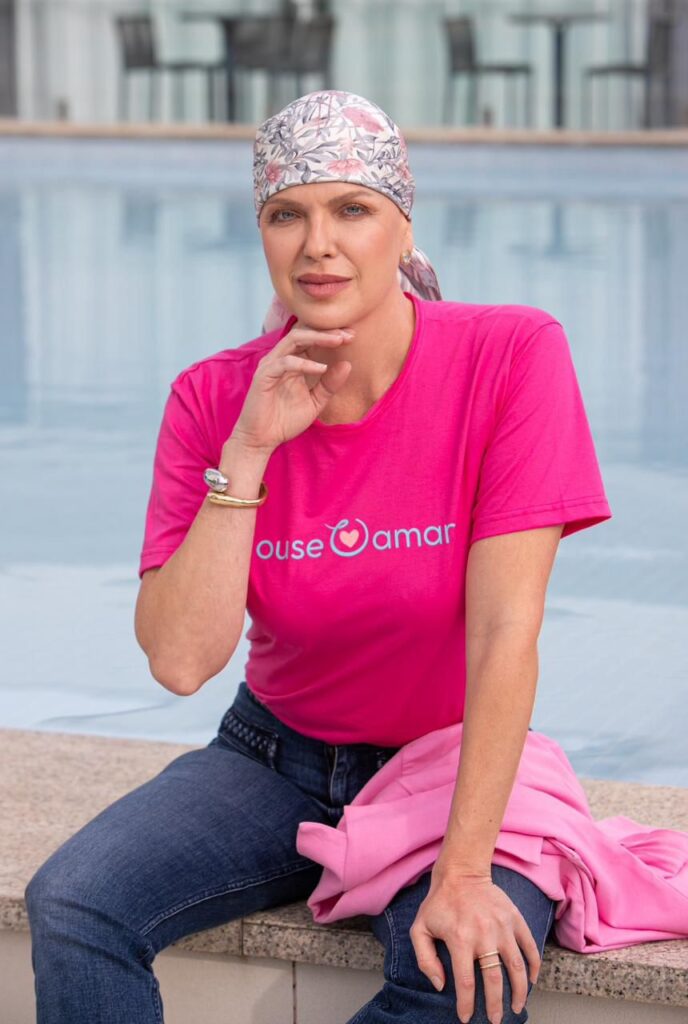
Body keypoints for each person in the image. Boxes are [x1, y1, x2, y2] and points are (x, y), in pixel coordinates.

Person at [24, 89, 613, 1024]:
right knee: (74, 906)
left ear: (403, 223)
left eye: (352, 209)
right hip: (272, 760)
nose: (318, 245)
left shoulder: (509, 356)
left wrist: (465, 870)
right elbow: (180, 661)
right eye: (286, 215)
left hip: (447, 763)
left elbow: (508, 631)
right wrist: (249, 450)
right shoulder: (212, 399)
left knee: (465, 979)